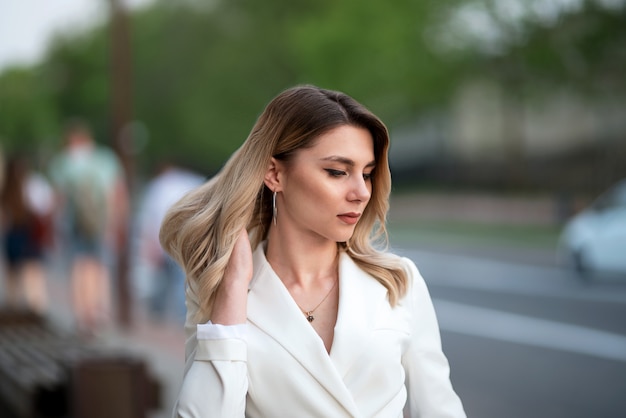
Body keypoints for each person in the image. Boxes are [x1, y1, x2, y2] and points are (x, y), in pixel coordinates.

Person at [160, 85, 466, 417]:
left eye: (367, 173)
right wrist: (233, 290)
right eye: (337, 172)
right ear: (275, 173)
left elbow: (440, 409)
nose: (361, 192)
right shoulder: (221, 289)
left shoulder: (397, 282)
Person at [48, 119, 128, 336]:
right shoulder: (106, 158)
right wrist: (119, 221)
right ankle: (99, 310)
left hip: (75, 224)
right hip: (103, 223)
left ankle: (82, 313)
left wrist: (52, 227)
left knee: (79, 267)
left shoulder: (64, 161)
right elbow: (118, 193)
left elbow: (57, 199)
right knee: (100, 267)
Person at [134, 161, 205, 323]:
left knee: (162, 277)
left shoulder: (157, 186)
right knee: (180, 278)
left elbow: (149, 217)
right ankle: (182, 314)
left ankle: (158, 311)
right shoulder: (188, 181)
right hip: (184, 238)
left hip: (162, 238)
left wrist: (148, 242)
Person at [0, 154, 54, 314]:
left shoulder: (8, 188)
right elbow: (45, 207)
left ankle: (17, 306)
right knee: (32, 273)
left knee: (15, 273)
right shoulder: (33, 184)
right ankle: (35, 308)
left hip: (17, 234)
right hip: (29, 234)